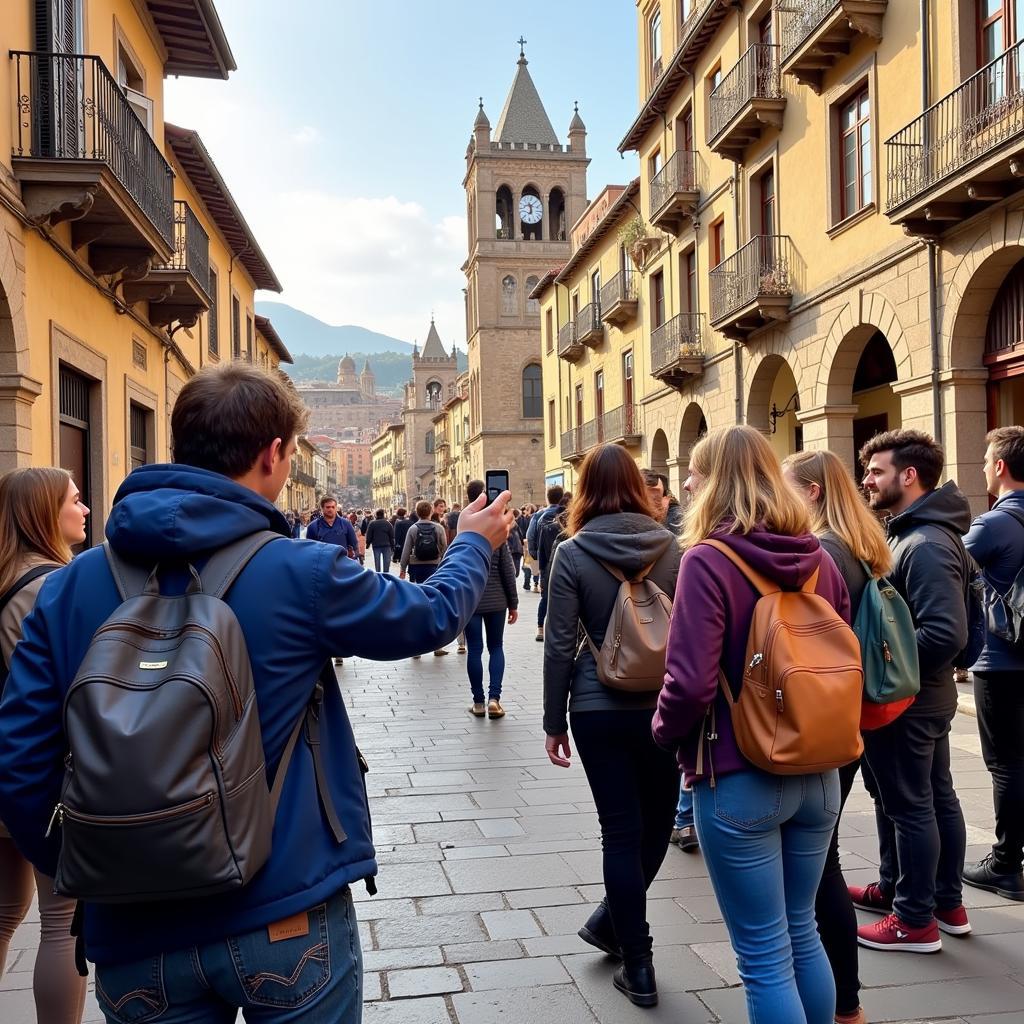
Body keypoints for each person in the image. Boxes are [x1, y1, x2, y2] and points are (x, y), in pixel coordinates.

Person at [0, 362, 512, 1024]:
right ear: (274, 457)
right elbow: (429, 618)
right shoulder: (302, 570)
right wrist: (470, 545)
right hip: (285, 911)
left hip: (134, 936)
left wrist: (94, 863)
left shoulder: (68, 588)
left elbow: (18, 765)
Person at [653, 426, 850, 1024]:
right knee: (802, 932)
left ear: (715, 482)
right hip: (820, 773)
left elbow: (689, 681)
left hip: (739, 772)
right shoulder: (820, 559)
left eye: (695, 471)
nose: (685, 481)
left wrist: (665, 735)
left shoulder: (708, 561)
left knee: (764, 956)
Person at [543, 444, 680, 1009]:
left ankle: (637, 961)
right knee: (656, 829)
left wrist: (554, 722)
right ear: (638, 486)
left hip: (596, 707)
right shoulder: (673, 546)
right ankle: (620, 930)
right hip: (664, 708)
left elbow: (557, 645)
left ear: (585, 492)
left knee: (620, 832)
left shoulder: (572, 552)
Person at [783, 449, 895, 1024]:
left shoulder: (824, 552)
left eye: (788, 489)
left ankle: (843, 1000)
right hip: (849, 714)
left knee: (819, 864)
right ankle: (841, 998)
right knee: (819, 859)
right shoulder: (863, 545)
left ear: (815, 493)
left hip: (825, 718)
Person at [854, 429, 971, 952]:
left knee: (910, 805)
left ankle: (914, 919)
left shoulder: (923, 543)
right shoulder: (917, 533)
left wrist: (884, 670)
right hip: (922, 695)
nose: (867, 480)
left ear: (909, 475)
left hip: (909, 699)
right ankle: (939, 900)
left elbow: (946, 631)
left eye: (876, 471)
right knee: (930, 799)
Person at [0, 467, 89, 1024]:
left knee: (6, 911)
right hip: (35, 772)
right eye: (74, 500)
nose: (84, 509)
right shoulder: (46, 587)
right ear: (43, 514)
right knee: (62, 921)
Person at [962, 426, 1024, 902]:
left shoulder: (994, 524)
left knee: (1005, 763)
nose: (983, 467)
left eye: (986, 460)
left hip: (1002, 661)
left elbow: (950, 568)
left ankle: (1004, 864)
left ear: (1001, 466)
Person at [642, 470, 695, 853]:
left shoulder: (687, 545)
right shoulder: (682, 544)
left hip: (670, 667)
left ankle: (684, 818)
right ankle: (684, 817)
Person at [462, 480, 518, 719]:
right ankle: (495, 699)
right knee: (496, 648)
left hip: (471, 600)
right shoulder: (496, 534)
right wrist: (513, 603)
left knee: (474, 649)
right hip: (497, 601)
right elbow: (508, 571)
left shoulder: (463, 532)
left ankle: (478, 702)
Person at [400, 500, 451, 658]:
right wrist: (439, 559)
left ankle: (417, 648)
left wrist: (403, 568)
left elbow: (406, 550)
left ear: (417, 512)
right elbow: (444, 547)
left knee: (418, 604)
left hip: (416, 568)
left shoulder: (413, 528)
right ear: (430, 512)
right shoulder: (438, 527)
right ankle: (437, 646)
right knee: (435, 604)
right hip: (434, 568)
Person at [536, 493, 569, 644]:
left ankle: (541, 628)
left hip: (550, 569)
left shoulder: (546, 526)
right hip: (558, 570)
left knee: (547, 599)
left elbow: (540, 552)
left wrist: (541, 574)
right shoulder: (554, 529)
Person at [365, 509, 395, 574]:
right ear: (383, 515)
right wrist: (393, 547)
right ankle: (386, 576)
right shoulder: (388, 523)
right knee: (386, 563)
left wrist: (368, 544)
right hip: (387, 545)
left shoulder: (372, 523)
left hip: (376, 545)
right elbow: (392, 536)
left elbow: (369, 534)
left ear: (376, 515)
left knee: (377, 562)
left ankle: (378, 576)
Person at [517, 505, 534, 590]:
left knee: (527, 563)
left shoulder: (531, 519)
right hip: (524, 543)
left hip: (527, 543)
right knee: (527, 563)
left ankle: (527, 583)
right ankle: (527, 583)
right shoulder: (523, 519)